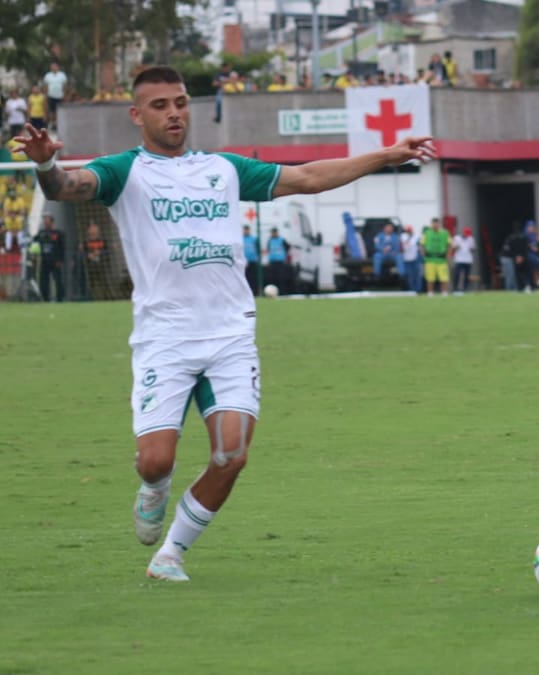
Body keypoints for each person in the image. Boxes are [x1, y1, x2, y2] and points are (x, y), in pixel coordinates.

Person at [13, 65, 436, 582]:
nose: (174, 113)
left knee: (231, 453)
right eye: (161, 105)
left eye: (181, 102)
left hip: (231, 335)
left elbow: (307, 177)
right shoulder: (125, 171)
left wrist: (390, 154)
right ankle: (154, 487)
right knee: (154, 462)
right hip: (164, 337)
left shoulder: (224, 169)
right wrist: (46, 165)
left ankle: (170, 554)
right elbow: (67, 187)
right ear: (136, 114)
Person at [34, 213, 65, 302]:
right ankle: (45, 298)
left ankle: (60, 299)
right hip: (44, 260)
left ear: (51, 221)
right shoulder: (41, 233)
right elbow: (34, 241)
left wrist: (60, 260)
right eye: (44, 219)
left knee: (58, 280)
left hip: (55, 261)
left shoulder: (58, 233)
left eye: (47, 219)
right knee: (43, 281)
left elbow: (62, 247)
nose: (45, 221)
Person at [420, 217, 450, 295]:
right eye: (434, 223)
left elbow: (449, 244)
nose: (435, 225)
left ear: (439, 224)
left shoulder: (445, 233)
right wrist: (423, 254)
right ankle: (430, 293)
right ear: (431, 224)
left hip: (441, 259)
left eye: (437, 223)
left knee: (444, 277)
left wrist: (448, 255)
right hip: (430, 259)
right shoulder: (427, 233)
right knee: (430, 278)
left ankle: (444, 292)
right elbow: (422, 244)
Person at [82, 221, 110, 300]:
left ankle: (106, 298)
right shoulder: (85, 242)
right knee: (92, 284)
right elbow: (82, 253)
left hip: (102, 266)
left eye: (94, 227)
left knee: (104, 283)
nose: (93, 230)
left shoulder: (103, 241)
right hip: (90, 266)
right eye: (91, 228)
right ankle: (92, 298)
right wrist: (88, 255)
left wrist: (100, 253)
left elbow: (107, 253)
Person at [499, 222, 530, 292]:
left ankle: (515, 288)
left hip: (508, 257)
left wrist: (518, 256)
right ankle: (510, 290)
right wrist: (518, 256)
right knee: (510, 274)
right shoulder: (515, 237)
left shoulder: (512, 237)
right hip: (507, 257)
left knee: (512, 274)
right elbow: (513, 249)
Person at [450, 225, 475, 294]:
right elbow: (452, 248)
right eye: (466, 234)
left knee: (467, 275)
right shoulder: (456, 238)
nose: (467, 235)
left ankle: (465, 288)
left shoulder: (471, 238)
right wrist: (456, 246)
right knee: (457, 274)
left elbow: (473, 249)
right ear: (463, 232)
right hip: (459, 259)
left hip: (468, 259)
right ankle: (455, 288)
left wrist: (471, 248)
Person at [43, 62, 68, 129]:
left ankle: (58, 122)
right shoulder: (48, 75)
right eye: (52, 67)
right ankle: (52, 123)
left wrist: (65, 95)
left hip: (60, 95)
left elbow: (64, 86)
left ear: (58, 67)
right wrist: (45, 95)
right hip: (51, 95)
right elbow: (46, 86)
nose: (54, 68)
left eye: (55, 67)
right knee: (52, 110)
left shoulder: (62, 75)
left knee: (59, 110)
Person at [265, 227, 290, 294]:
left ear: (277, 232)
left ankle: (282, 292)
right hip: (273, 261)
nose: (273, 234)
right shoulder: (270, 240)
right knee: (272, 278)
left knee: (281, 278)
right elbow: (269, 250)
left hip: (280, 261)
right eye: (272, 232)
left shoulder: (282, 240)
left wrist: (285, 257)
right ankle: (273, 292)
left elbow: (288, 248)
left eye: (274, 232)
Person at [400, 224, 423, 293]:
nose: (409, 232)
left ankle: (418, 290)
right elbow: (402, 246)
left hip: (415, 257)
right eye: (408, 231)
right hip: (406, 258)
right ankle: (411, 289)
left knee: (417, 274)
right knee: (409, 275)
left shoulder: (417, 237)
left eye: (410, 230)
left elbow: (420, 246)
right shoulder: (403, 236)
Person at [242, 225, 260, 295]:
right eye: (245, 229)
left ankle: (255, 293)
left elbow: (258, 249)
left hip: (253, 261)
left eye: (247, 230)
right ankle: (244, 293)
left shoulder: (254, 239)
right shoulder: (240, 239)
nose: (246, 231)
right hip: (243, 262)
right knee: (244, 278)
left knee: (253, 278)